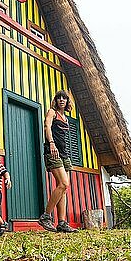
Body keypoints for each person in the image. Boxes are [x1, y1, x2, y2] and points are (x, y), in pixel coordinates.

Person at [38, 90, 78, 233]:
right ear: (55, 100)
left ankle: (62, 222)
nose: (62, 100)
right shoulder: (52, 112)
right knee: (63, 183)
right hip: (52, 150)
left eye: (64, 98)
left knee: (64, 189)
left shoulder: (65, 117)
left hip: (64, 154)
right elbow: (47, 127)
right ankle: (46, 216)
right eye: (59, 98)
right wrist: (52, 143)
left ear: (67, 101)